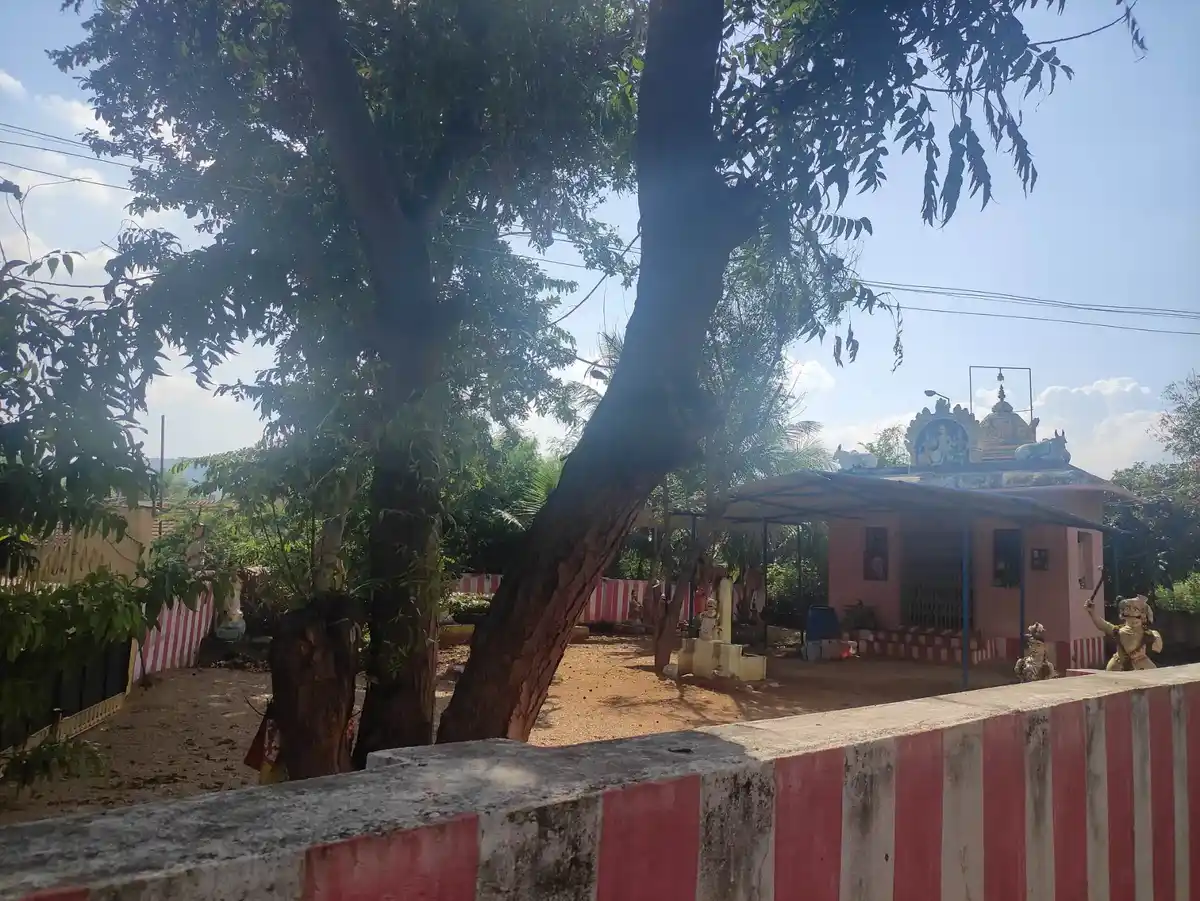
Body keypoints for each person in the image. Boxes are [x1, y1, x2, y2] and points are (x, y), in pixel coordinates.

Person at [1085, 593, 1162, 671]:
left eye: (1135, 609)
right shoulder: (1118, 630)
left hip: (1140, 664)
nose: (1131, 612)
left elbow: (1158, 648)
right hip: (1117, 665)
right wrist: (1092, 612)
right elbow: (1102, 625)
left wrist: (1154, 640)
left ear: (1144, 616)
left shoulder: (1149, 634)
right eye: (1128, 608)